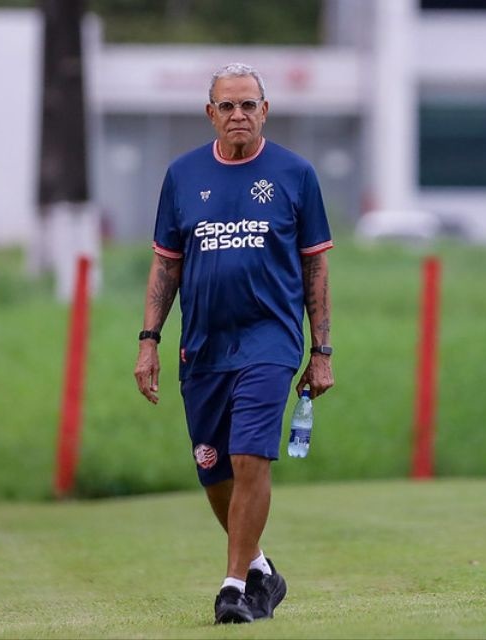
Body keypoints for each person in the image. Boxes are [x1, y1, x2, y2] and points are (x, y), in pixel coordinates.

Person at [133, 62, 335, 624]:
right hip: (202, 346)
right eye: (228, 105)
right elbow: (165, 265)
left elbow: (315, 268)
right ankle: (262, 570)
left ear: (265, 110)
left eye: (249, 104)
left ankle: (233, 588)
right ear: (211, 113)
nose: (238, 114)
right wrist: (149, 341)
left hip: (270, 340)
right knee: (214, 468)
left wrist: (321, 351)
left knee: (250, 455)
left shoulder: (295, 174)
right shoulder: (182, 176)